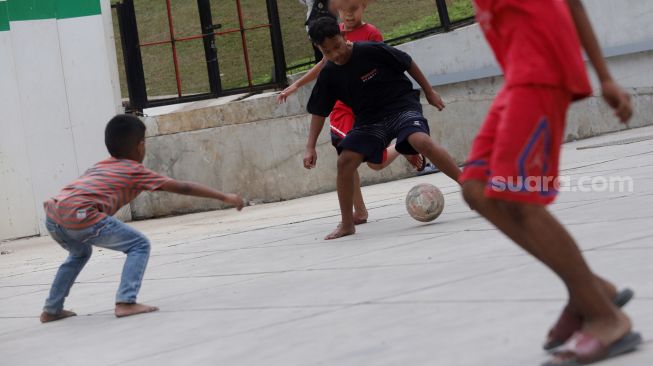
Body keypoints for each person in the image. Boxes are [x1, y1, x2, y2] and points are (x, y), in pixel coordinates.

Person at [459, 1, 641, 364]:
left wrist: (604, 76)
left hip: (542, 65)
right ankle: (592, 289)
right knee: (476, 189)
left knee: (517, 198)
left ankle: (606, 318)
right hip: (518, 72)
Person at [40, 114, 245, 323]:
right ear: (140, 146)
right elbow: (184, 187)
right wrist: (224, 196)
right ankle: (126, 302)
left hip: (54, 214)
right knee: (139, 244)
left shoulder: (101, 165)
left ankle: (52, 309)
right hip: (81, 214)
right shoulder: (135, 171)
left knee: (79, 253)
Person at [303, 16, 461, 240]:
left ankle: (468, 186)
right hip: (369, 121)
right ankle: (347, 223)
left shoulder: (371, 50)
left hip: (400, 106)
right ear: (320, 50)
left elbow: (407, 62)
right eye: (327, 52)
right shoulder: (329, 73)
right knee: (345, 161)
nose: (335, 54)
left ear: (344, 36)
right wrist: (310, 147)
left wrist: (429, 91)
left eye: (336, 46)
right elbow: (319, 111)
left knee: (421, 141)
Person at [282, 0, 426, 226]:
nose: (348, 16)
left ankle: (402, 145)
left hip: (370, 106)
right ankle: (359, 211)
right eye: (343, 10)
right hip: (343, 107)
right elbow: (323, 66)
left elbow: (387, 64)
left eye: (353, 9)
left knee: (375, 164)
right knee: (346, 159)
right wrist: (297, 85)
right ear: (336, 10)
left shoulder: (370, 35)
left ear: (364, 6)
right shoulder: (332, 35)